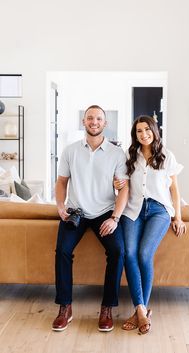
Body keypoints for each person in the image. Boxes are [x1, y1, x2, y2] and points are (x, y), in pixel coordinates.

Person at [52, 105, 129, 332]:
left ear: (105, 123)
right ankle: (65, 307)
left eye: (98, 119)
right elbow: (61, 182)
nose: (94, 122)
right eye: (89, 118)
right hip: (76, 211)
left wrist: (115, 218)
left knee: (117, 251)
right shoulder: (70, 150)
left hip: (105, 212)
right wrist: (60, 205)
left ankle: (107, 308)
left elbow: (124, 188)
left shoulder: (117, 154)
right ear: (83, 122)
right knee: (62, 251)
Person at [114, 115, 186, 335]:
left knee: (145, 254)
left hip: (158, 211)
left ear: (154, 130)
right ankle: (142, 311)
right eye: (139, 131)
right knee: (129, 253)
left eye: (147, 129)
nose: (143, 134)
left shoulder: (166, 155)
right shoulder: (129, 156)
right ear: (134, 134)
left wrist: (178, 217)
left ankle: (140, 312)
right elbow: (122, 186)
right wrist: (116, 184)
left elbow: (174, 190)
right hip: (133, 211)